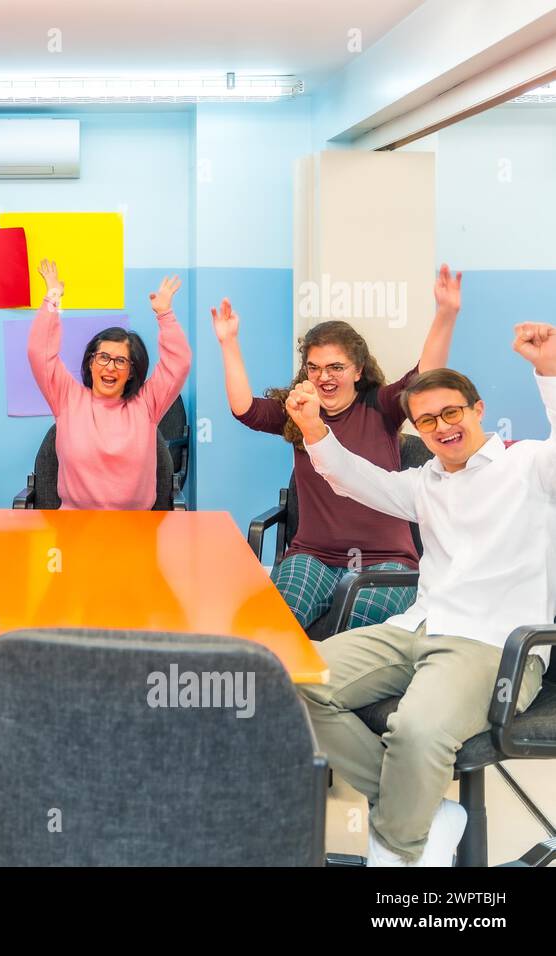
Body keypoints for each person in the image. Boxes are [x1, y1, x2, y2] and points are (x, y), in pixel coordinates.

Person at [290, 326, 555, 866]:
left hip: (492, 644)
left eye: (452, 413)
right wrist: (314, 427)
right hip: (417, 628)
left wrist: (548, 370)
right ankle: (422, 811)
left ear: (477, 409)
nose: (442, 428)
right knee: (291, 680)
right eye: (427, 420)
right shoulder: (425, 482)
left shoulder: (528, 467)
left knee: (414, 730)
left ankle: (400, 851)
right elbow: (349, 478)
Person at [214, 265, 463, 629]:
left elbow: (423, 379)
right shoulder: (299, 411)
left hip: (386, 561)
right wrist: (228, 343)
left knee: (354, 639)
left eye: (335, 367)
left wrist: (445, 314)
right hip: (313, 557)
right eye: (314, 368)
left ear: (358, 370)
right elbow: (245, 409)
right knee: (273, 629)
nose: (324, 376)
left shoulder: (382, 405)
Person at [27, 260, 191, 509]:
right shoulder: (67, 398)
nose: (110, 366)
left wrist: (164, 314)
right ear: (90, 362)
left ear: (131, 372)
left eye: (120, 360)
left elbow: (179, 364)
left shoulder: (146, 405)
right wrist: (52, 298)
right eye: (103, 357)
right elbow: (39, 352)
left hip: (136, 529)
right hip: (75, 528)